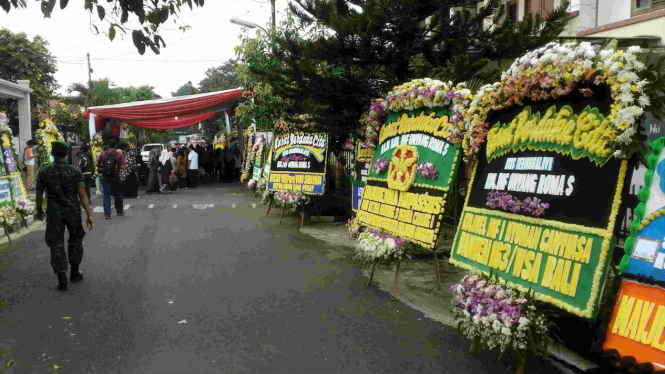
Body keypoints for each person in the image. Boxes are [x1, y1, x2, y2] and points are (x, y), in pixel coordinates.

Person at [35, 141, 94, 292]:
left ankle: (62, 278)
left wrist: (39, 210)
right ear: (67, 154)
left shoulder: (45, 172)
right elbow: (82, 194)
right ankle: (74, 272)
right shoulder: (75, 171)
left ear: (53, 154)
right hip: (72, 211)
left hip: (54, 212)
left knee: (56, 243)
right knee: (75, 240)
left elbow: (39, 193)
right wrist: (89, 214)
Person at [96, 139, 126, 219]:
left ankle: (107, 213)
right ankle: (119, 211)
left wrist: (102, 165)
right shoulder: (119, 155)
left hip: (105, 177)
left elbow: (96, 164)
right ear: (116, 146)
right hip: (115, 177)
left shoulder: (103, 154)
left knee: (106, 195)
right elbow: (123, 167)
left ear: (108, 146)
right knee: (118, 194)